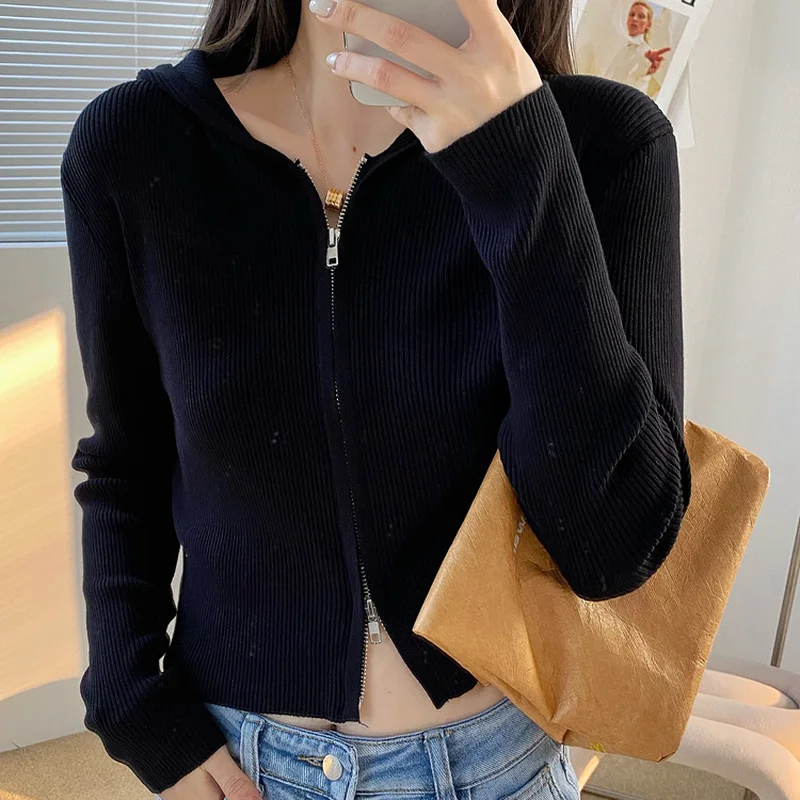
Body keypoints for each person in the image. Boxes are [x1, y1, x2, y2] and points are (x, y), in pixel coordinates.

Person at [61, 0, 692, 797]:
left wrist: (521, 168)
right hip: (241, 765)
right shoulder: (135, 145)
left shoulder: (603, 144)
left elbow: (613, 548)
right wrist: (132, 707)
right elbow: (127, 464)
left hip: (493, 766)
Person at [605, 1, 672, 95]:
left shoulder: (646, 53)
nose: (634, 19)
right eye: (632, 14)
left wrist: (647, 70)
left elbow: (637, 86)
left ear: (648, 24)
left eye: (641, 16)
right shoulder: (621, 47)